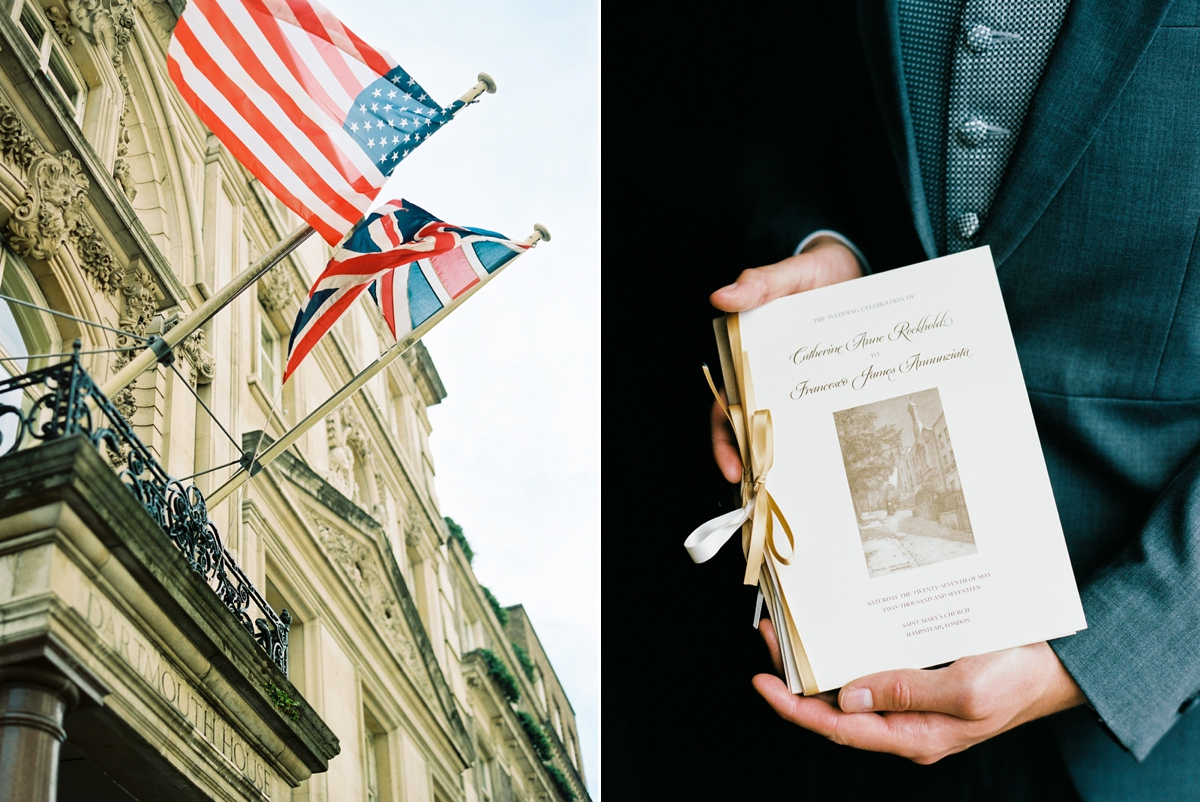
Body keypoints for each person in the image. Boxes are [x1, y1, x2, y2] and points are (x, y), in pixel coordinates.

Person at [708, 3, 1200, 799]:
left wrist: (1109, 655)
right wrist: (824, 251)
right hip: (835, 652)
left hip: (1144, 711)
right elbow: (783, 108)